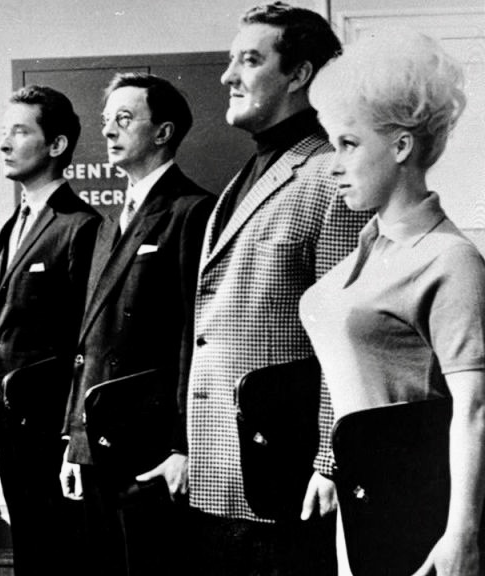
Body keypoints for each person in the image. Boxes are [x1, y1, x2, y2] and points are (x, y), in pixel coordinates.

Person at [185, 3, 371, 574]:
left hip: (288, 481)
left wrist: (330, 461)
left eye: (249, 60)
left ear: (299, 74)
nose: (228, 76)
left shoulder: (332, 175)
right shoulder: (250, 174)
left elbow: (345, 336)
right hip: (222, 474)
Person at [302, 30, 482, 576]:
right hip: (361, 503)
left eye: (348, 144)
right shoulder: (365, 252)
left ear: (401, 147)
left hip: (421, 512)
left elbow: (476, 409)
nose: (332, 164)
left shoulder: (449, 260)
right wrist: (332, 466)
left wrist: (463, 537)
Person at [59, 72, 214, 576]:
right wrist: (75, 442)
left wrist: (184, 447)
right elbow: (90, 341)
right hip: (100, 441)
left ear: (163, 132)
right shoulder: (110, 221)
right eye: (107, 120)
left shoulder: (192, 211)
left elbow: (196, 337)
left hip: (152, 447)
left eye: (124, 119)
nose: (108, 130)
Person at [0, 85, 99, 575]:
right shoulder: (11, 227)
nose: (4, 144)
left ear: (56, 145)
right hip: (11, 430)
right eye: (4, 132)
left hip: (52, 434)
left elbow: (86, 343)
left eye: (19, 131)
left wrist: (74, 436)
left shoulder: (81, 226)